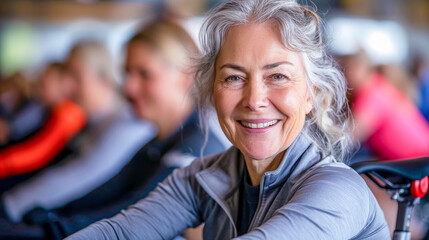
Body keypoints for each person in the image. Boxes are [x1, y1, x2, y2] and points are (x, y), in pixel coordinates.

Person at [67, 0, 390, 239]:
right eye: (234, 78)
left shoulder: (339, 190)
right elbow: (120, 233)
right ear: (212, 90)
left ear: (310, 95)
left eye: (277, 76)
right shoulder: (202, 178)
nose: (254, 100)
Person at [33, 20, 228, 239]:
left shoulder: (197, 151)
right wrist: (46, 217)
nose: (129, 87)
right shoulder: (156, 143)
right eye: (127, 73)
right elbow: (107, 194)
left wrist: (46, 226)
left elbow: (131, 215)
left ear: (186, 76)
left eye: (144, 74)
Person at [0, 41, 154, 226]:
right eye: (66, 75)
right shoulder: (87, 120)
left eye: (76, 77)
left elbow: (71, 178)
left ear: (104, 79)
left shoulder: (127, 125)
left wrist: (9, 206)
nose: (66, 86)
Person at [337, 50, 429, 161]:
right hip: (415, 162)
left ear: (358, 67)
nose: (342, 75)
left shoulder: (372, 92)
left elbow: (349, 137)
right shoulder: (379, 85)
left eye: (346, 68)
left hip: (420, 165)